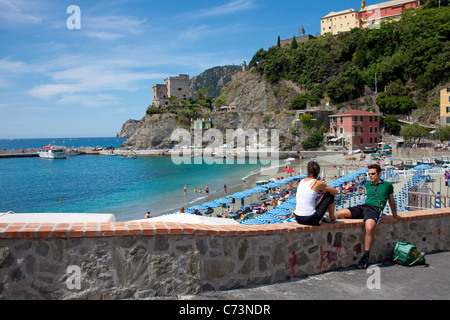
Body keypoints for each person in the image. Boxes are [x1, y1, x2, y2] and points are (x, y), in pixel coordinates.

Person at [335, 164, 400, 269]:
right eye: (369, 174)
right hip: (364, 207)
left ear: (379, 173)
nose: (370, 176)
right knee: (341, 212)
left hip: (375, 209)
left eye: (373, 174)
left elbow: (391, 201)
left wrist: (395, 214)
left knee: (369, 228)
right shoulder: (367, 185)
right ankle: (325, 217)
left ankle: (366, 256)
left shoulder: (388, 185)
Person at [294, 161, 338, 227]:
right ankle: (332, 218)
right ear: (318, 172)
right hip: (310, 219)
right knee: (330, 196)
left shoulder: (302, 181)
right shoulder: (317, 183)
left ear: (307, 171)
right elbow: (335, 192)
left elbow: (309, 192)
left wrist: (320, 191)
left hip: (298, 218)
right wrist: (326, 190)